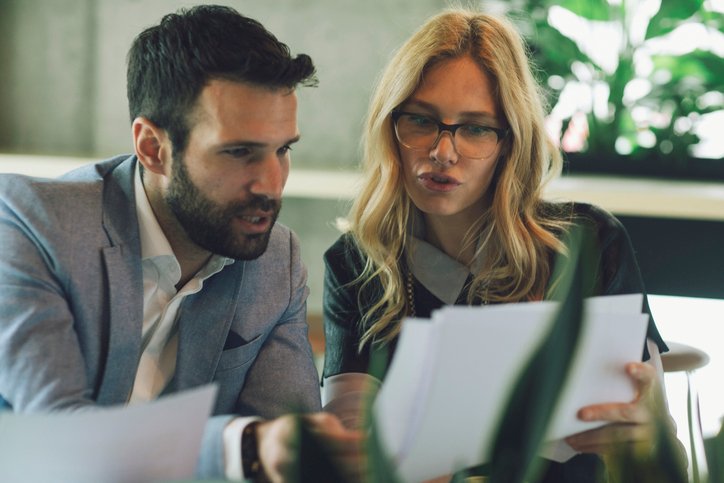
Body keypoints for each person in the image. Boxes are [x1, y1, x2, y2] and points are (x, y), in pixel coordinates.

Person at [0, 5, 362, 482]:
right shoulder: (32, 223)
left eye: (283, 149)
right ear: (153, 148)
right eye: (239, 152)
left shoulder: (276, 258)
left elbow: (288, 442)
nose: (272, 185)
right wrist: (242, 448)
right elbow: (57, 440)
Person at [322, 7, 683, 482]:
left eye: (474, 128)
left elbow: (668, 463)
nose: (442, 152)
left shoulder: (587, 242)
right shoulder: (358, 262)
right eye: (421, 121)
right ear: (390, 126)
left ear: (511, 141)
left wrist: (648, 433)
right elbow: (345, 451)